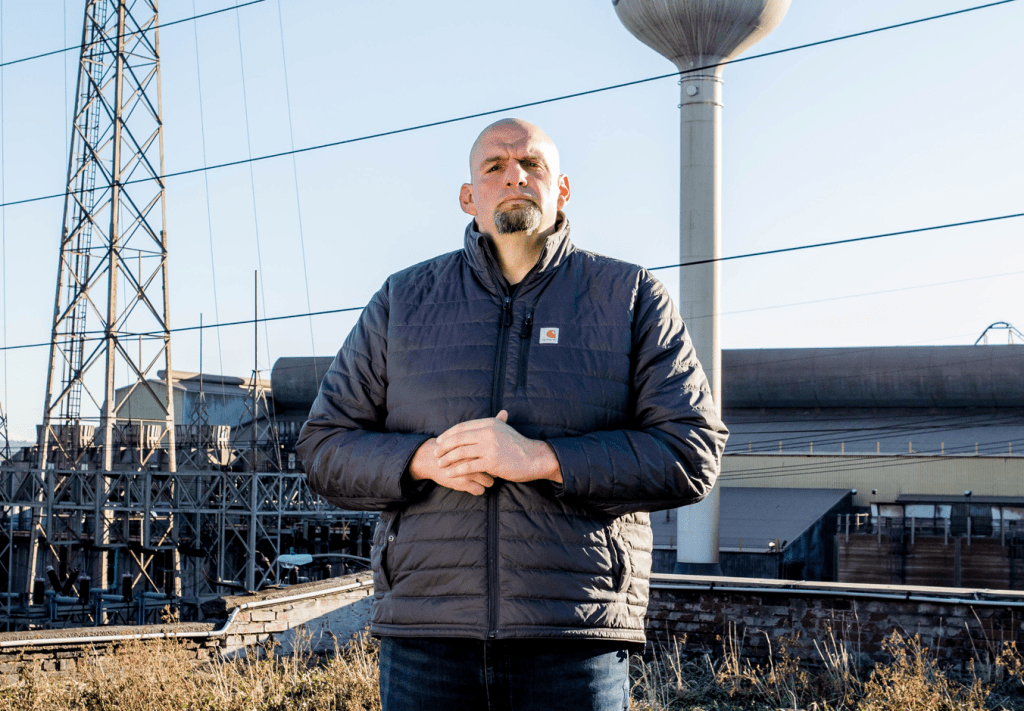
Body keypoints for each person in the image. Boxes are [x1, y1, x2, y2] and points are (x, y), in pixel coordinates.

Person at [297, 118, 728, 711]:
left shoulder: (630, 297)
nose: (515, 177)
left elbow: (691, 452)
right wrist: (423, 460)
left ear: (562, 189)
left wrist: (544, 460)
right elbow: (323, 446)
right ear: (468, 196)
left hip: (575, 636)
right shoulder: (402, 300)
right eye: (494, 167)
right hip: (427, 636)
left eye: (532, 164)